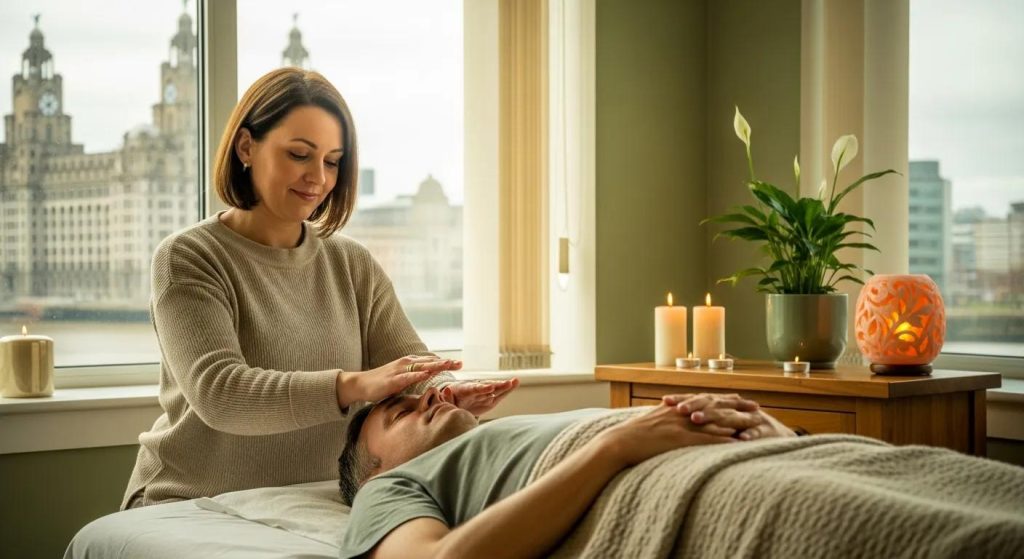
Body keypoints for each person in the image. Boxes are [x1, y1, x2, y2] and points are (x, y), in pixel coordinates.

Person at [121, 67, 517, 510]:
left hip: (310, 502)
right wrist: (351, 386)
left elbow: (408, 362)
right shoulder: (188, 257)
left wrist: (442, 391)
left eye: (332, 161)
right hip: (191, 502)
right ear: (246, 147)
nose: (318, 178)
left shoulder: (351, 263)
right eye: (298, 154)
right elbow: (220, 394)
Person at [337, 390, 1024, 559]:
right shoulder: (391, 490)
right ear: (373, 466)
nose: (429, 394)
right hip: (663, 487)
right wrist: (614, 447)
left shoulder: (505, 431)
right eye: (399, 408)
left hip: (766, 450)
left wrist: (770, 428)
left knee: (947, 479)